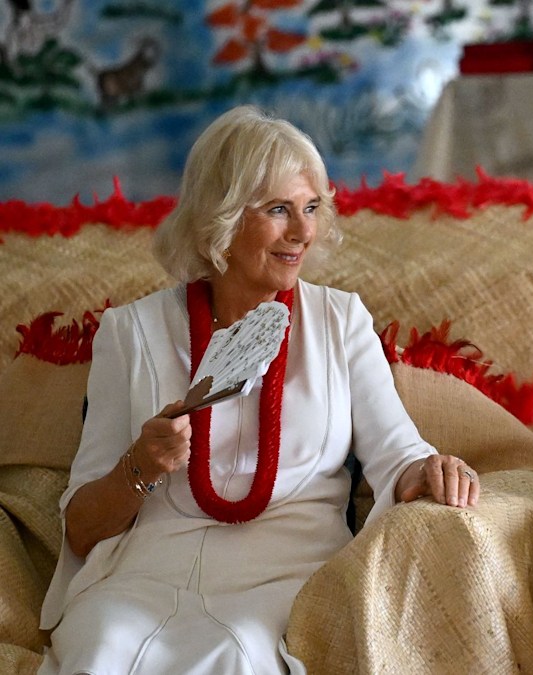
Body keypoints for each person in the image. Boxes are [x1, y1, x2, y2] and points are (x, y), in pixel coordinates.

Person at [38, 105, 481, 674]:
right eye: (278, 210)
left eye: (311, 208)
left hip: (286, 578)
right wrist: (140, 465)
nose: (302, 232)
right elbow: (81, 527)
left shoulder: (339, 321)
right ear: (218, 217)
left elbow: (400, 457)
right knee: (101, 647)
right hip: (146, 576)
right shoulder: (131, 332)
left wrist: (435, 471)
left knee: (238, 655)